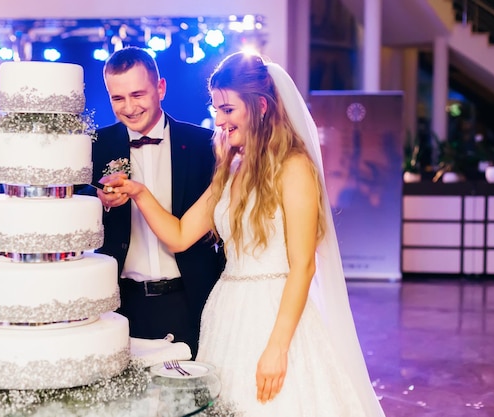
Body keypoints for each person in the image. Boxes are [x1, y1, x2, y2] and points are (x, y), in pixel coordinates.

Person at [103, 52, 387, 416]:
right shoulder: (231, 168)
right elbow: (178, 235)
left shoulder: (294, 167)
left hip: (273, 314)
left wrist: (277, 348)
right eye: (217, 109)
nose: (218, 120)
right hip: (226, 314)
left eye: (227, 109)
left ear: (261, 106)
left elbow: (303, 267)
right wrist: (139, 192)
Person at [91, 46, 225, 358]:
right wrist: (99, 200)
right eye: (118, 98)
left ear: (160, 88)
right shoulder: (96, 146)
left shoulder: (203, 145)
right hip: (122, 302)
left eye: (138, 94)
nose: (129, 107)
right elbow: (72, 204)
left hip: (192, 297)